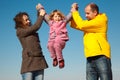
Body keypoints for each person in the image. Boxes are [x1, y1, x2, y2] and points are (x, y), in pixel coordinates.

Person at [70, 3, 112, 80]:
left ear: (95, 12)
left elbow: (81, 25)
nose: (86, 15)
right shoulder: (89, 24)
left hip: (101, 55)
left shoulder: (101, 20)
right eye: (85, 13)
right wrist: (72, 16)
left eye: (88, 13)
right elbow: (77, 25)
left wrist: (75, 12)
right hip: (90, 56)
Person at [13, 7, 48, 80]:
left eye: (28, 19)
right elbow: (36, 26)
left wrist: (39, 10)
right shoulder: (19, 31)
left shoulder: (31, 30)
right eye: (26, 20)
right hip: (28, 63)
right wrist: (41, 15)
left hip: (39, 62)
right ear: (20, 22)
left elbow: (34, 26)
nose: (28, 21)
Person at [36, 3, 72, 68]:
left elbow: (70, 15)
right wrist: (40, 8)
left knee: (56, 43)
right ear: (52, 17)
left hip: (61, 41)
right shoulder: (51, 23)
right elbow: (45, 15)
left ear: (61, 17)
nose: (57, 18)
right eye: (55, 16)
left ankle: (61, 60)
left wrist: (74, 8)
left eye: (59, 16)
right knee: (49, 45)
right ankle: (54, 58)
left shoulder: (63, 22)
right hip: (52, 40)